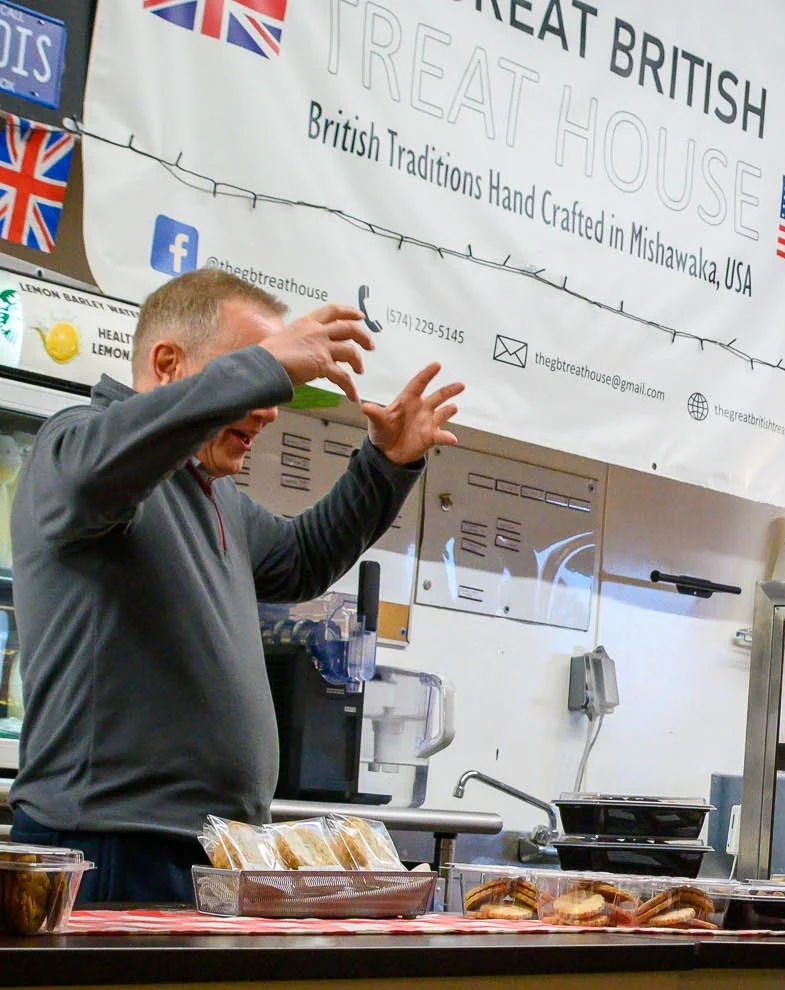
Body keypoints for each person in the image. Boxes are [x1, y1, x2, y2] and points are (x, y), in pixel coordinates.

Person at [8, 268, 463, 903]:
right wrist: (271, 362)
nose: (269, 408)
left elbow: (301, 560)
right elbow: (93, 474)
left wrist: (387, 466)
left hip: (211, 852)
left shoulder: (213, 493)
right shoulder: (75, 441)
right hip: (110, 846)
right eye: (254, 373)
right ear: (167, 364)